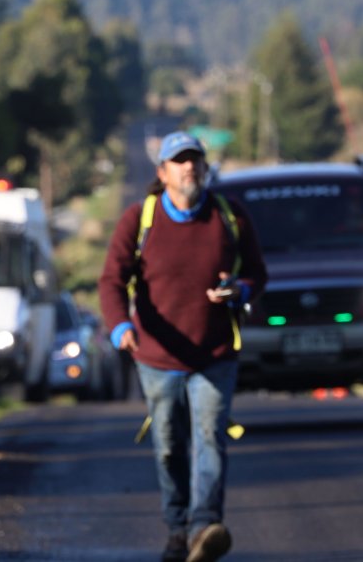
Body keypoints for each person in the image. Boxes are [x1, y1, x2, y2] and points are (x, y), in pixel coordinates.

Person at [98, 131, 267, 562]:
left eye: (195, 159)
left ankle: (203, 528)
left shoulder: (230, 216)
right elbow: (112, 280)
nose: (189, 167)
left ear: (205, 168)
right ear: (162, 172)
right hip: (158, 357)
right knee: (169, 444)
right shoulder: (140, 218)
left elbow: (257, 273)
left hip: (215, 353)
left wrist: (239, 290)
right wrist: (119, 327)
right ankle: (177, 528)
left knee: (210, 438)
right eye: (180, 160)